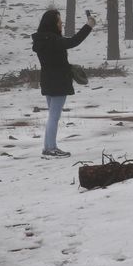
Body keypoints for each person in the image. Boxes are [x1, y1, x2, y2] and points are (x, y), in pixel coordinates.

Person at [31, 10, 95, 157]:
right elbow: (74, 41)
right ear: (52, 24)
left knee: (52, 116)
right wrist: (89, 25)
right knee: (54, 117)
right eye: (59, 22)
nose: (61, 24)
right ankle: (51, 148)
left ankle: (48, 147)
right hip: (59, 82)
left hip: (47, 81)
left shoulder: (41, 40)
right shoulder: (53, 40)